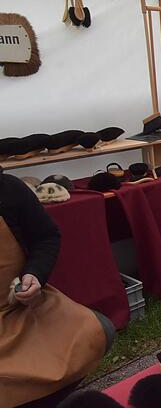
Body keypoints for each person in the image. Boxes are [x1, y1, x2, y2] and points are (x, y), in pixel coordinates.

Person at [0, 165, 115, 407]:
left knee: (99, 330)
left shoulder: (8, 188)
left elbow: (46, 236)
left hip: (22, 307)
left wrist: (34, 275)